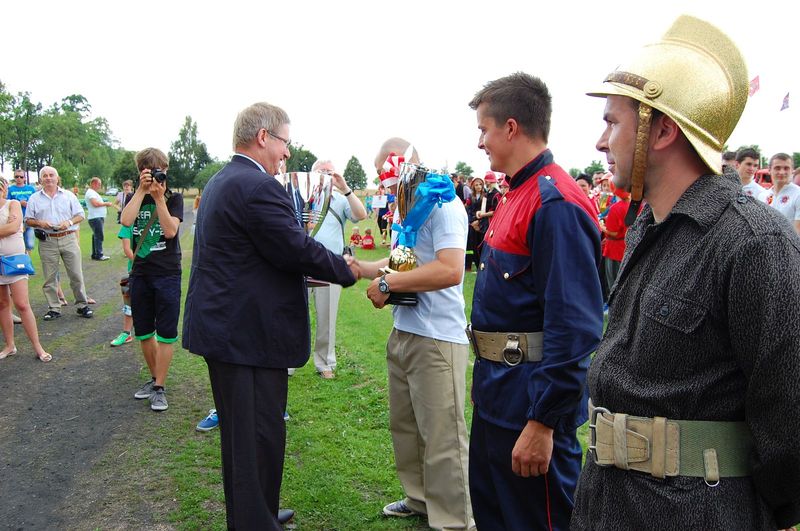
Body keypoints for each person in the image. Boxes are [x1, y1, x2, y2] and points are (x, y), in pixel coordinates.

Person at [571, 16, 800, 530]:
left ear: (663, 130)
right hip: (608, 504)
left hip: (696, 514)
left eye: (613, 122)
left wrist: (773, 513)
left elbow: (788, 412)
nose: (600, 141)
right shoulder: (648, 225)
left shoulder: (754, 242)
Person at [182, 102, 357, 530]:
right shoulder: (258, 187)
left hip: (237, 331)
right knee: (252, 439)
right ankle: (254, 521)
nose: (287, 154)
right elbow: (294, 247)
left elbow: (259, 256)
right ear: (264, 138)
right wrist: (346, 268)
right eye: (285, 143)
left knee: (258, 436)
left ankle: (258, 508)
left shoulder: (226, 179)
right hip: (243, 335)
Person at [466, 72, 603, 530]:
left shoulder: (555, 202)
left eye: (483, 129)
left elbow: (574, 327)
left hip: (529, 405)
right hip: (496, 396)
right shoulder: (516, 194)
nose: (480, 142)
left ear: (510, 127)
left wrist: (543, 422)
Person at [360, 138, 475, 530]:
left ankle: (455, 521)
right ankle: (420, 499)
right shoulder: (408, 207)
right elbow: (401, 262)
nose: (382, 183)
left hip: (437, 338)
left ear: (400, 164)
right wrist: (362, 268)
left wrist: (390, 286)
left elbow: (449, 270)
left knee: (442, 437)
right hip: (406, 331)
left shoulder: (443, 202)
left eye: (383, 173)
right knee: (406, 427)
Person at [120, 148, 183, 412]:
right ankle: (155, 378)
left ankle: (159, 387)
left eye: (161, 170)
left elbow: (169, 231)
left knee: (166, 333)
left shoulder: (174, 198)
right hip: (141, 273)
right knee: (145, 331)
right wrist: (140, 192)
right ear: (141, 173)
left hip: (167, 272)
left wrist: (159, 198)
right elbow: (125, 221)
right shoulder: (133, 198)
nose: (158, 175)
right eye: (151, 170)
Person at [307, 159, 367, 379]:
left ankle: (325, 363)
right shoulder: (304, 198)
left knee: (327, 315)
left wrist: (345, 187)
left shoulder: (341, 200)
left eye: (329, 172)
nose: (325, 175)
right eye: (320, 172)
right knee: (293, 312)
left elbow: (361, 215)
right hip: (300, 262)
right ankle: (288, 362)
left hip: (330, 264)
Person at [24, 166, 93, 321]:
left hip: (68, 237)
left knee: (76, 273)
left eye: (51, 175)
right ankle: (54, 307)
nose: (48, 178)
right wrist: (40, 223)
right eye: (45, 176)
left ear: (57, 178)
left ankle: (82, 305)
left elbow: (80, 215)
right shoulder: (34, 198)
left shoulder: (68, 196)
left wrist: (68, 222)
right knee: (50, 277)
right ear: (41, 179)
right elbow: (27, 220)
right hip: (47, 240)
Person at [0, 178, 52, 362]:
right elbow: (10, 228)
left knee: (22, 304)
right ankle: (10, 345)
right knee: (3, 305)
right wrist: (6, 226)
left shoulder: (13, 204)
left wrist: (11, 226)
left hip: (15, 261)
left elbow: (15, 227)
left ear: (4, 188)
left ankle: (38, 347)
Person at [762, 153, 800, 234]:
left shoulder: (798, 194)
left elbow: (798, 231)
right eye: (777, 168)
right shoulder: (762, 196)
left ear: (792, 170)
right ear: (769, 170)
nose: (782, 172)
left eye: (786, 168)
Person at [110, 224, 134, 347]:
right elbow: (127, 249)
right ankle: (126, 333)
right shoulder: (128, 224)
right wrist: (141, 263)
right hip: (135, 271)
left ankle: (156, 332)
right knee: (129, 303)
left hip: (155, 271)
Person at [8, 169, 36, 253]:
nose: (19, 178)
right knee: (17, 243)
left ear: (25, 178)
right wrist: (18, 203)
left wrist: (28, 204)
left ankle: (27, 261)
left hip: (29, 218)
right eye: (17, 177)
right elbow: (7, 203)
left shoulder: (31, 189)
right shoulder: (10, 189)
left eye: (21, 177)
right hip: (16, 220)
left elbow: (36, 202)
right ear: (14, 178)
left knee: (29, 244)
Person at [85, 176, 113, 261]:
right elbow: (95, 204)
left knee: (96, 235)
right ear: (93, 184)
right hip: (95, 217)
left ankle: (95, 254)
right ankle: (99, 254)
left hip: (97, 216)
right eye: (99, 184)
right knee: (99, 235)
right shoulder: (91, 193)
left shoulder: (93, 192)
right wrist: (106, 204)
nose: (100, 186)